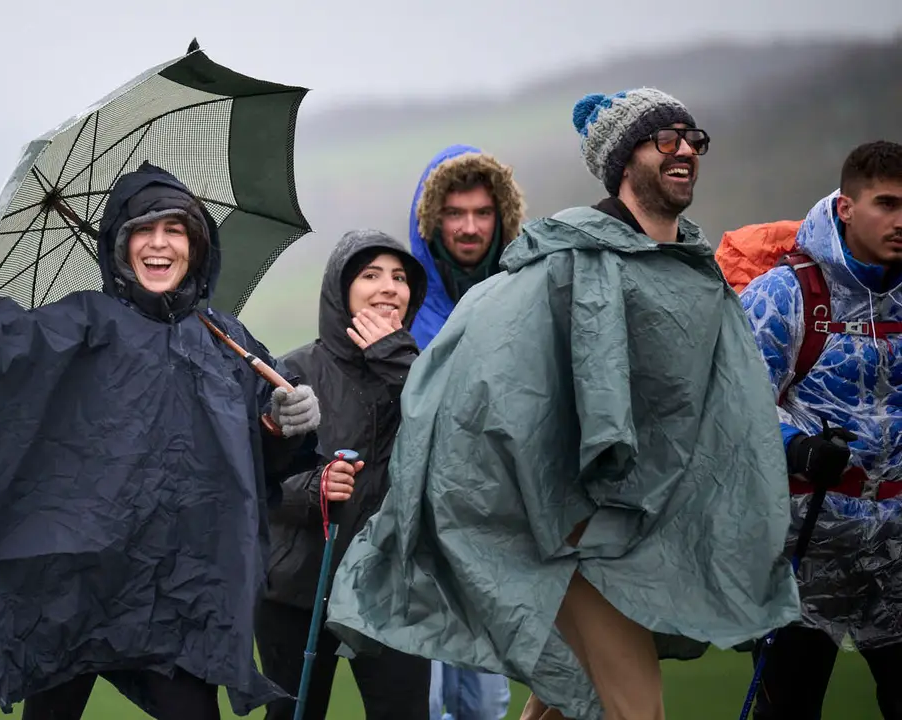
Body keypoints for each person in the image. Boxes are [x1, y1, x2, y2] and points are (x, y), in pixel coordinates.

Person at [323, 87, 803, 720]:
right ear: (623, 160)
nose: (684, 149)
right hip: (581, 530)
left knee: (565, 702)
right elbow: (480, 394)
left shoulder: (690, 269)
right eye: (664, 139)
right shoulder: (564, 268)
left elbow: (716, 398)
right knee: (637, 711)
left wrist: (791, 443)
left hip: (649, 524)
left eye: (692, 138)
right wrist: (556, 505)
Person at [0, 161, 322, 720]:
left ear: (197, 245)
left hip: (179, 592)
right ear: (120, 246)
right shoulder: (79, 325)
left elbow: (259, 460)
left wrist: (285, 421)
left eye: (175, 230)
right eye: (143, 231)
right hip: (73, 592)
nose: (159, 244)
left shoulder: (225, 340)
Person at [738, 139, 902, 720]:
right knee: (790, 710)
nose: (900, 220)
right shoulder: (784, 295)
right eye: (886, 203)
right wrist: (797, 446)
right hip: (807, 556)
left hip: (899, 554)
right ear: (848, 206)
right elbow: (734, 402)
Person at [254, 229, 430, 719]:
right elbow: (254, 472)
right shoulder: (292, 371)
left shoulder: (425, 373)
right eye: (370, 275)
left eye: (399, 277)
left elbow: (453, 445)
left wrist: (397, 359)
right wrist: (315, 487)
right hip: (297, 590)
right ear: (339, 291)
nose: (389, 287)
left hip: (393, 585)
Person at [407, 143, 526, 720]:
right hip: (422, 539)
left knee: (484, 703)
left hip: (498, 534)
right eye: (455, 213)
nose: (470, 227)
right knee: (426, 704)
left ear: (502, 216)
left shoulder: (526, 296)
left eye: (483, 212)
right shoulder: (401, 309)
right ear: (431, 220)